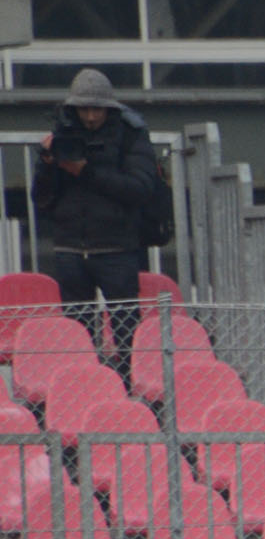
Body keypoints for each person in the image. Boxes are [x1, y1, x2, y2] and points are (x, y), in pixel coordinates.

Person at [29, 70, 166, 359]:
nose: (90, 117)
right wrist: (47, 164)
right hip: (70, 245)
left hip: (117, 246)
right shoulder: (63, 133)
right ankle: (86, 380)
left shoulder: (130, 134)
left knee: (126, 330)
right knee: (77, 334)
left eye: (97, 109)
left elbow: (140, 189)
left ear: (109, 109)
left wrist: (86, 172)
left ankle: (127, 380)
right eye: (84, 109)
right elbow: (41, 198)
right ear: (73, 109)